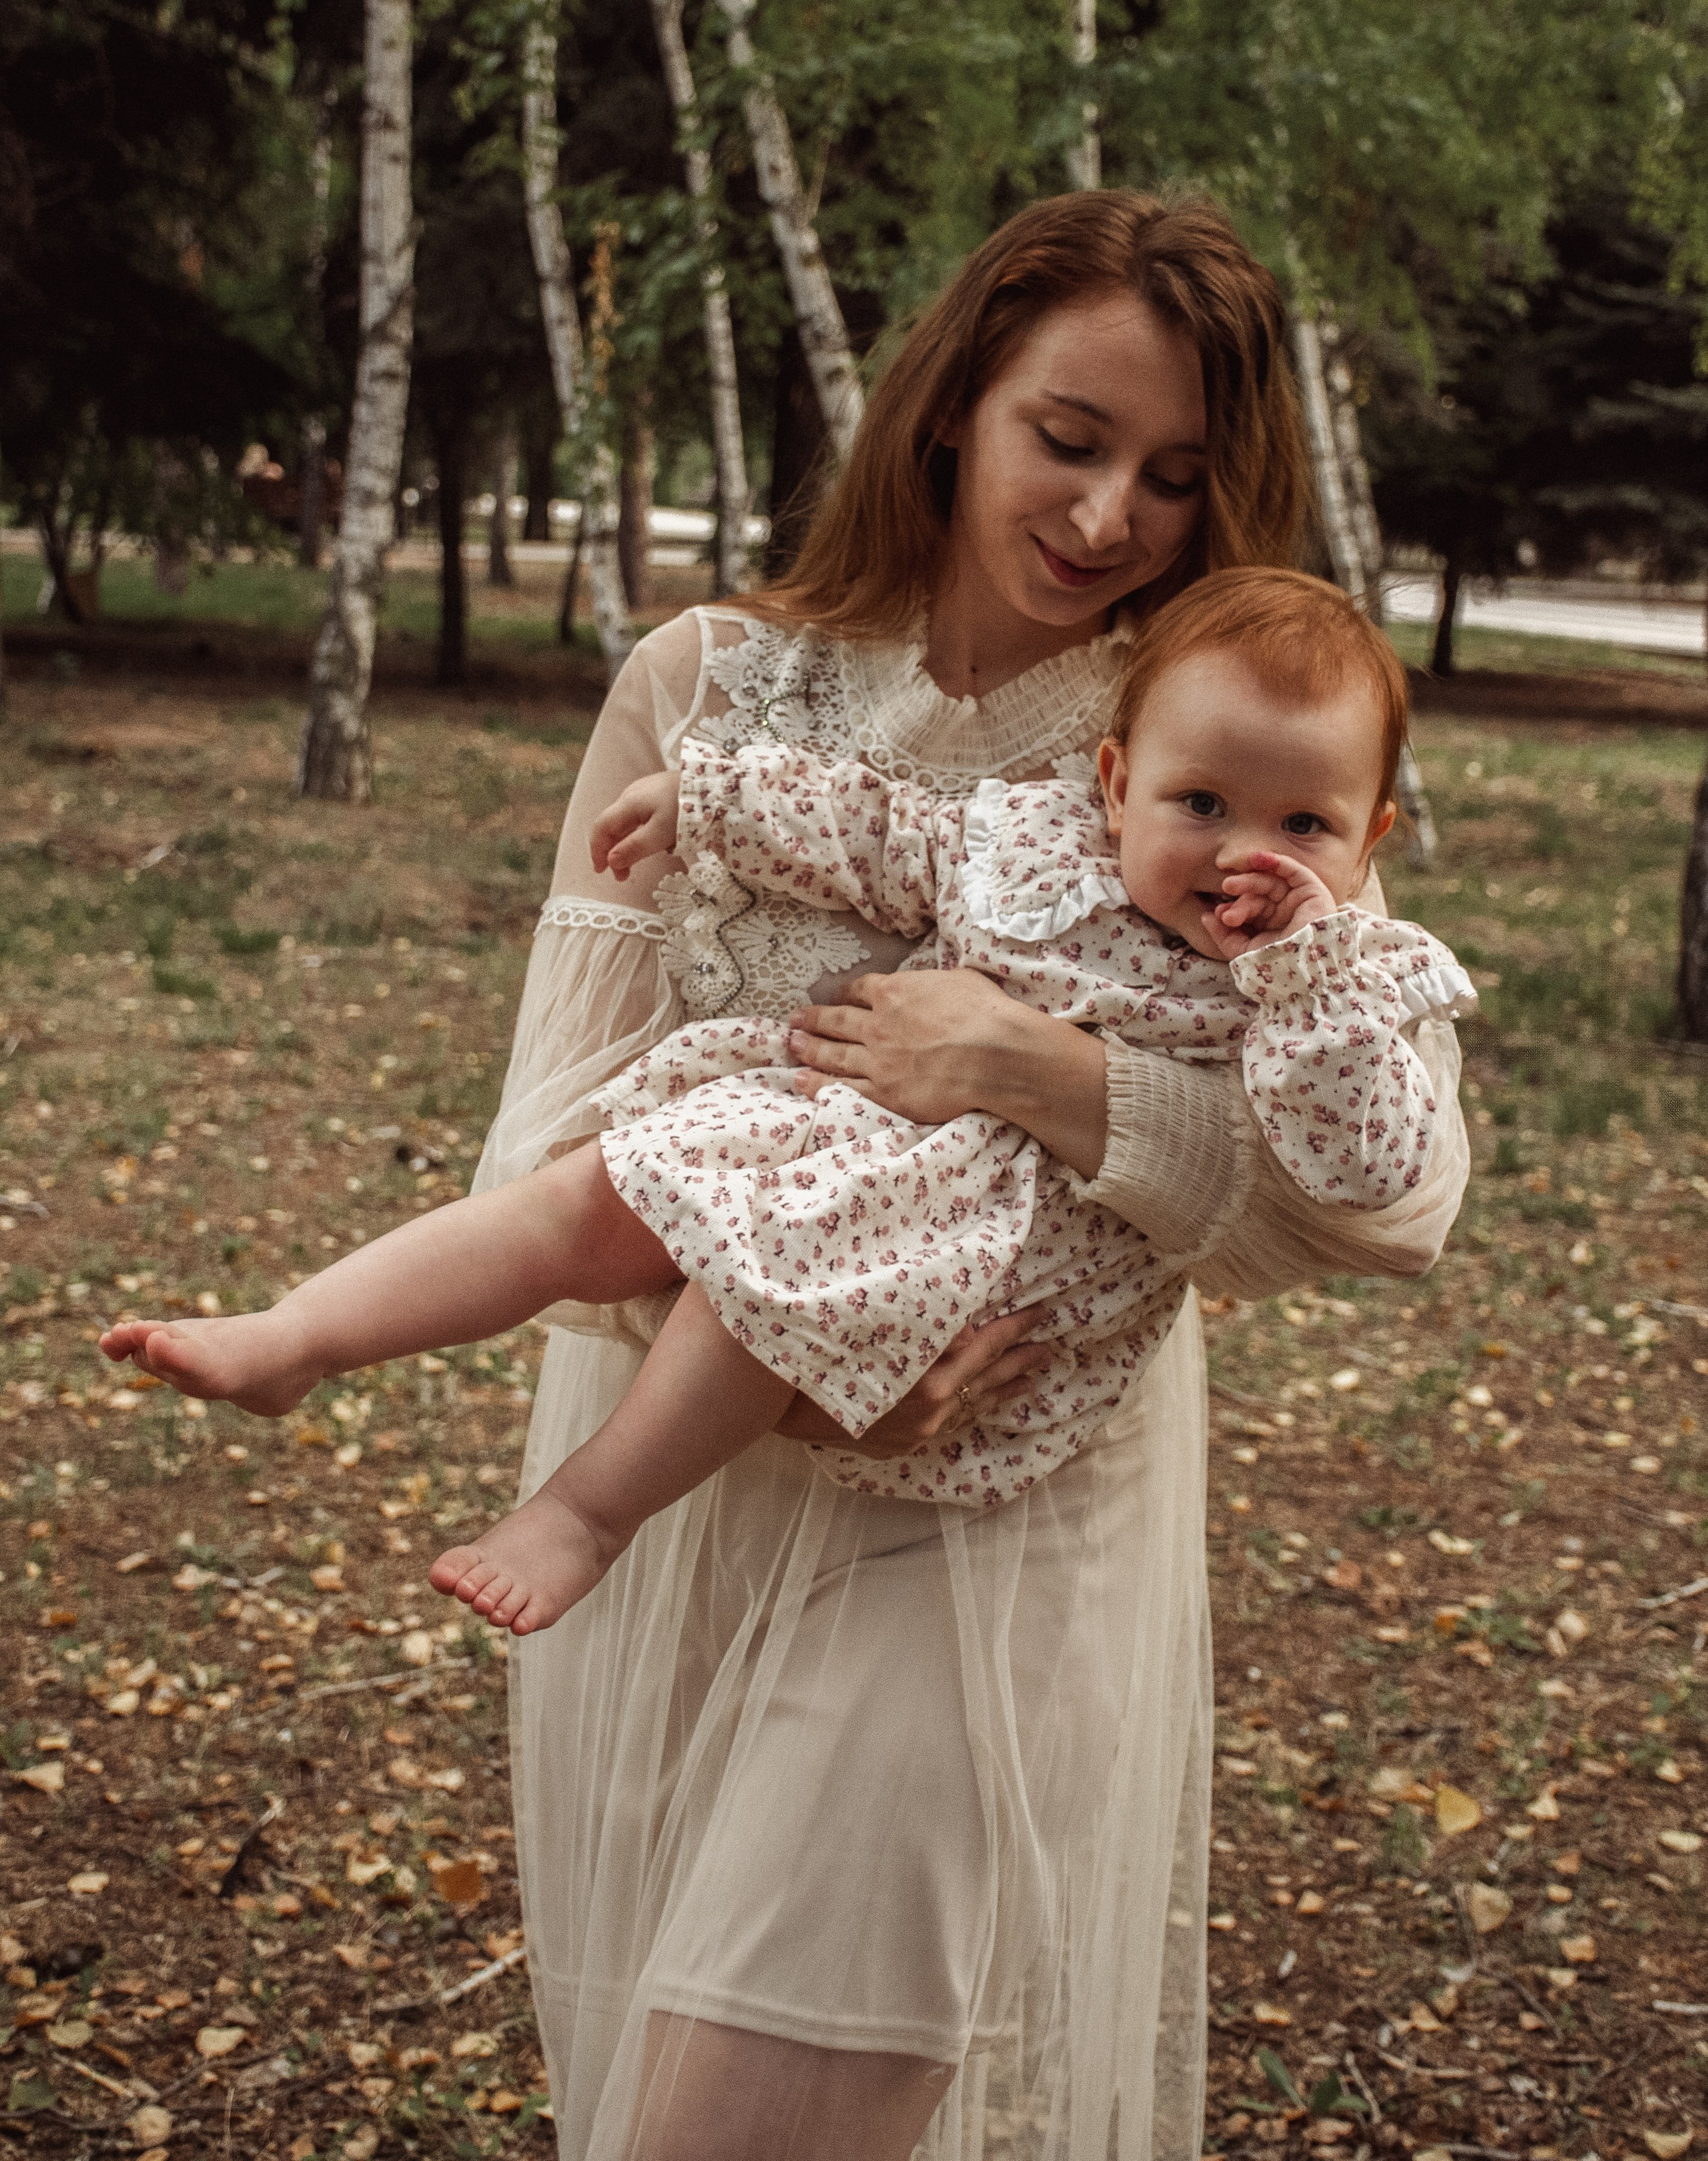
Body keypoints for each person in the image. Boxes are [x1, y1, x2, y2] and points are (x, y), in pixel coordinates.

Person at [193, 194, 1481, 2160]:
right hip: (700, 1458)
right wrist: (801, 1339)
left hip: (1004, 1509)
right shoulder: (707, 683)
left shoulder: (1234, 741)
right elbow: (563, 1133)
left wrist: (1040, 1075)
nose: (1113, 514)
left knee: (766, 2098)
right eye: (1071, 437)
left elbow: (1387, 1206)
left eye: (1178, 474)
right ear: (955, 401)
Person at [99, 570, 1475, 1654]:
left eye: (1302, 826)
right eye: (1198, 800)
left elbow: (1360, 1168)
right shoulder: (1035, 835)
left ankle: (587, 1511)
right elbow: (876, 831)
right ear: (1114, 782)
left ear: (1368, 841)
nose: (1244, 851)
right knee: (591, 1196)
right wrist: (708, 801)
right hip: (830, 1115)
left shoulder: (1337, 981)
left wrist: (1305, 973)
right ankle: (297, 1336)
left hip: (983, 1237)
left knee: (765, 1286)